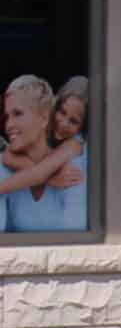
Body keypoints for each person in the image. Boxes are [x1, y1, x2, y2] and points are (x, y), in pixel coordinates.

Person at [0, 75, 81, 232]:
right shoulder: (4, 164)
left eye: (17, 114)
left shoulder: (73, 164)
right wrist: (49, 178)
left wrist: (45, 175)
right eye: (7, 117)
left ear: (44, 118)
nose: (8, 125)